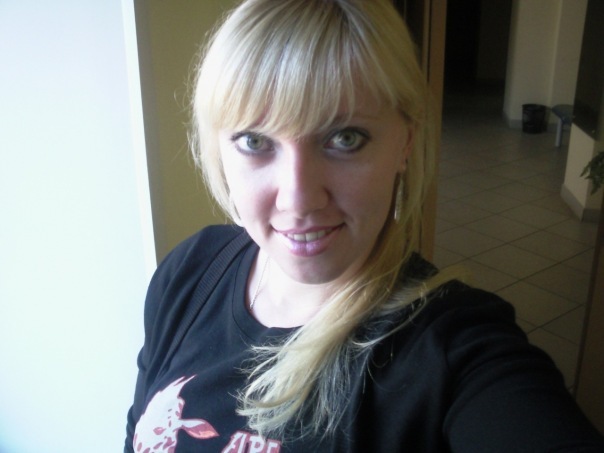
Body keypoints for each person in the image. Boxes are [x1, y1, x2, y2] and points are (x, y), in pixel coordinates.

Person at [124, 0, 604, 451]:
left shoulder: (450, 350)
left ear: (405, 142)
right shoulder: (190, 271)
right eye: (254, 141)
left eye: (345, 138)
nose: (299, 199)